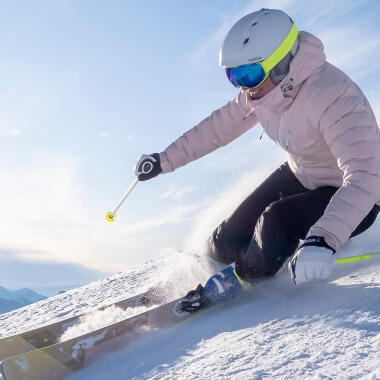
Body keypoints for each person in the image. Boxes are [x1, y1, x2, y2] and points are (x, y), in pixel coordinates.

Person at [134, 9, 380, 312]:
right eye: (233, 75)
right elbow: (215, 129)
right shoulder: (262, 94)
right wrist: (164, 160)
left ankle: (241, 279)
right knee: (226, 238)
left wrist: (323, 239)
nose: (243, 86)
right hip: (301, 174)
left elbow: (367, 174)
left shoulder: (334, 95)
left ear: (281, 64)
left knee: (276, 221)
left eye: (248, 74)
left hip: (353, 193)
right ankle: (203, 272)